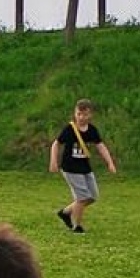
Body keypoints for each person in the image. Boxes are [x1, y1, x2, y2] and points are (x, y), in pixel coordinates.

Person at [49, 99, 118, 233]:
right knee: (82, 197)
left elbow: (100, 146)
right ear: (75, 113)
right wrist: (53, 161)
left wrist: (110, 162)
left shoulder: (92, 130)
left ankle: (65, 212)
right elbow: (56, 144)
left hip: (84, 168)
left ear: (90, 115)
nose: (81, 117)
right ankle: (76, 226)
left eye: (85, 114)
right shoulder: (69, 129)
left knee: (92, 196)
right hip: (70, 168)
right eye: (78, 114)